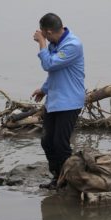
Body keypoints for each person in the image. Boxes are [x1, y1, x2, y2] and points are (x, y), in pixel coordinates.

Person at [31, 13, 85, 189]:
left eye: (46, 36)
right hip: (55, 101)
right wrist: (44, 89)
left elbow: (49, 64)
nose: (46, 39)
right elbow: (55, 72)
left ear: (48, 32)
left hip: (69, 102)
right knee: (47, 141)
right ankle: (57, 178)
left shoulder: (72, 45)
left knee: (60, 144)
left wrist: (41, 43)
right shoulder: (56, 43)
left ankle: (67, 181)